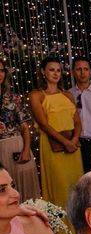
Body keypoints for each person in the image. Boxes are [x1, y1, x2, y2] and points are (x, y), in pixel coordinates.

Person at [28, 57, 83, 214]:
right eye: (51, 69)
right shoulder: (36, 95)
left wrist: (73, 140)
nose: (56, 73)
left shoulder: (67, 95)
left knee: (76, 187)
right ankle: (61, 233)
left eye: (58, 70)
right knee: (58, 187)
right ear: (43, 72)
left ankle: (77, 229)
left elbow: (77, 123)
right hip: (53, 147)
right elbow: (44, 125)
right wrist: (66, 142)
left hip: (73, 148)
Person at [0, 59, 40, 200]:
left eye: (2, 70)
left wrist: (26, 150)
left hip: (18, 146)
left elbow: (25, 127)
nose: (0, 74)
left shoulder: (13, 98)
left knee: (27, 194)